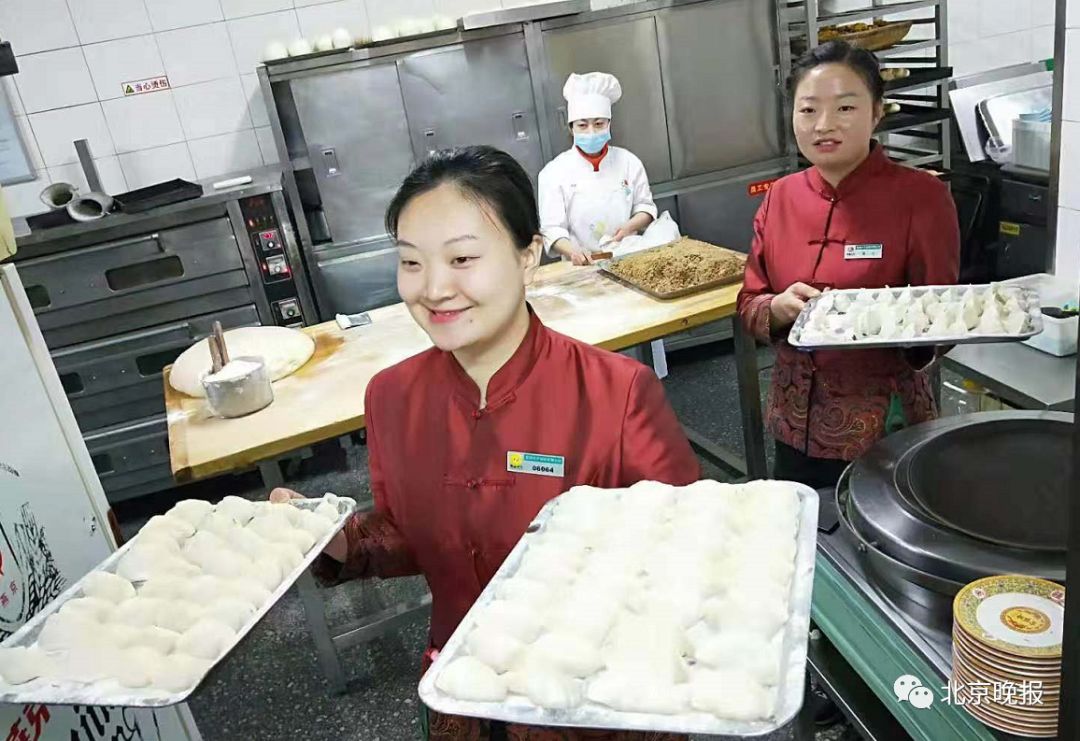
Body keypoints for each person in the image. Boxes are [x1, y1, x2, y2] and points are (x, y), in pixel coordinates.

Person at [273, 145, 698, 740]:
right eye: (412, 263)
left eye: (463, 258)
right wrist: (333, 539)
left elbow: (692, 558)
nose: (434, 288)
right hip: (462, 697)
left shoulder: (616, 394)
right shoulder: (392, 397)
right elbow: (410, 534)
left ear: (527, 258)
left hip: (592, 705)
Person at [737, 40, 960, 491]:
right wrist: (777, 308)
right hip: (793, 424)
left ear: (877, 111)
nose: (824, 125)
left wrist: (890, 324)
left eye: (844, 107)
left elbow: (945, 316)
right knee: (808, 544)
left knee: (882, 549)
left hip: (884, 429)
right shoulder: (781, 197)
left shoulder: (921, 197)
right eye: (808, 110)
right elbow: (748, 301)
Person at [537, 72, 657, 266]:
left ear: (609, 124)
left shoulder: (629, 162)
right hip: (580, 266)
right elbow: (551, 229)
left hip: (629, 259)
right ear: (571, 128)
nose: (591, 132)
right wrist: (573, 251)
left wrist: (629, 227)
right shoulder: (553, 173)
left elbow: (646, 207)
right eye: (582, 125)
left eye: (599, 124)